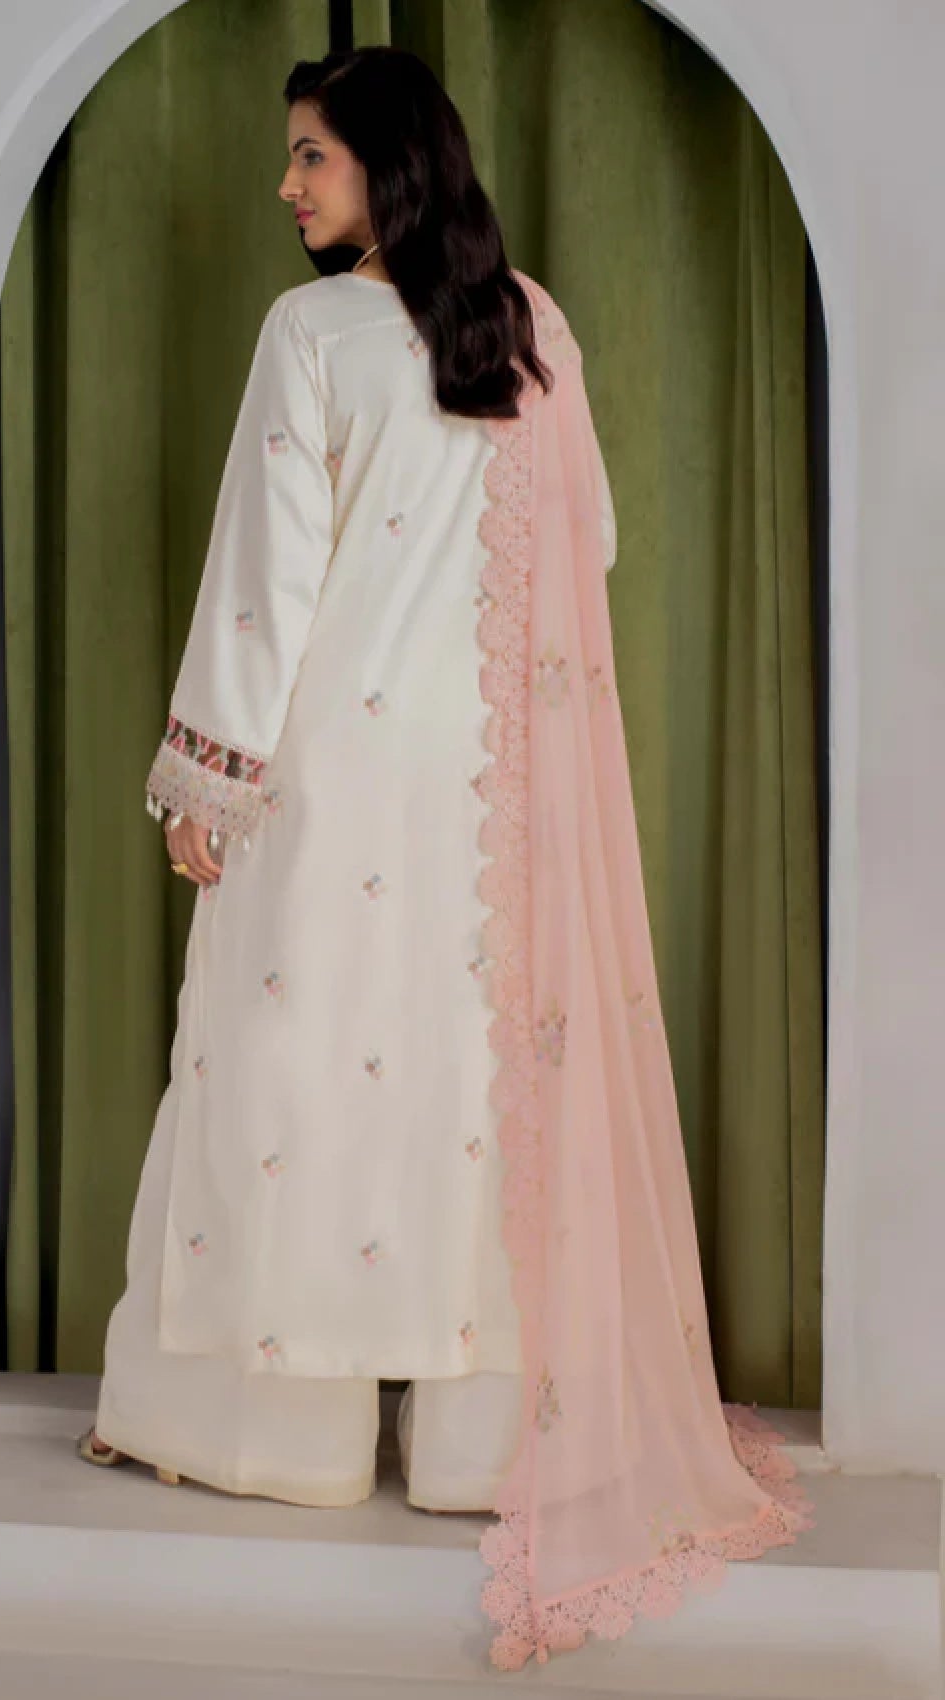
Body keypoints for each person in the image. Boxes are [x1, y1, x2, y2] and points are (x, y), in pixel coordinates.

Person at [78, 46, 814, 1672]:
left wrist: (208, 774)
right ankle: (486, 1448)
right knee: (483, 1103)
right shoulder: (532, 326)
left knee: (293, 1084)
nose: (288, 185)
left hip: (331, 782)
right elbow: (590, 548)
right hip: (496, 797)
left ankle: (284, 1438)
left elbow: (264, 578)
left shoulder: (313, 333)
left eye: (312, 156)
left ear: (388, 165)